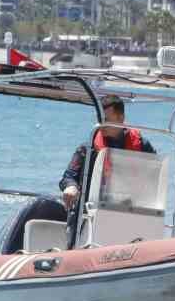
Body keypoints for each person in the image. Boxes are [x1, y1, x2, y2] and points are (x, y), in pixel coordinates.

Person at [59, 95, 156, 245]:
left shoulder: (142, 146)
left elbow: (153, 175)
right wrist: (70, 186)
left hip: (126, 213)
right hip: (89, 215)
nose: (101, 125)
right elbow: (68, 176)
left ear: (121, 118)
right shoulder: (88, 148)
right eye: (99, 120)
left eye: (106, 120)